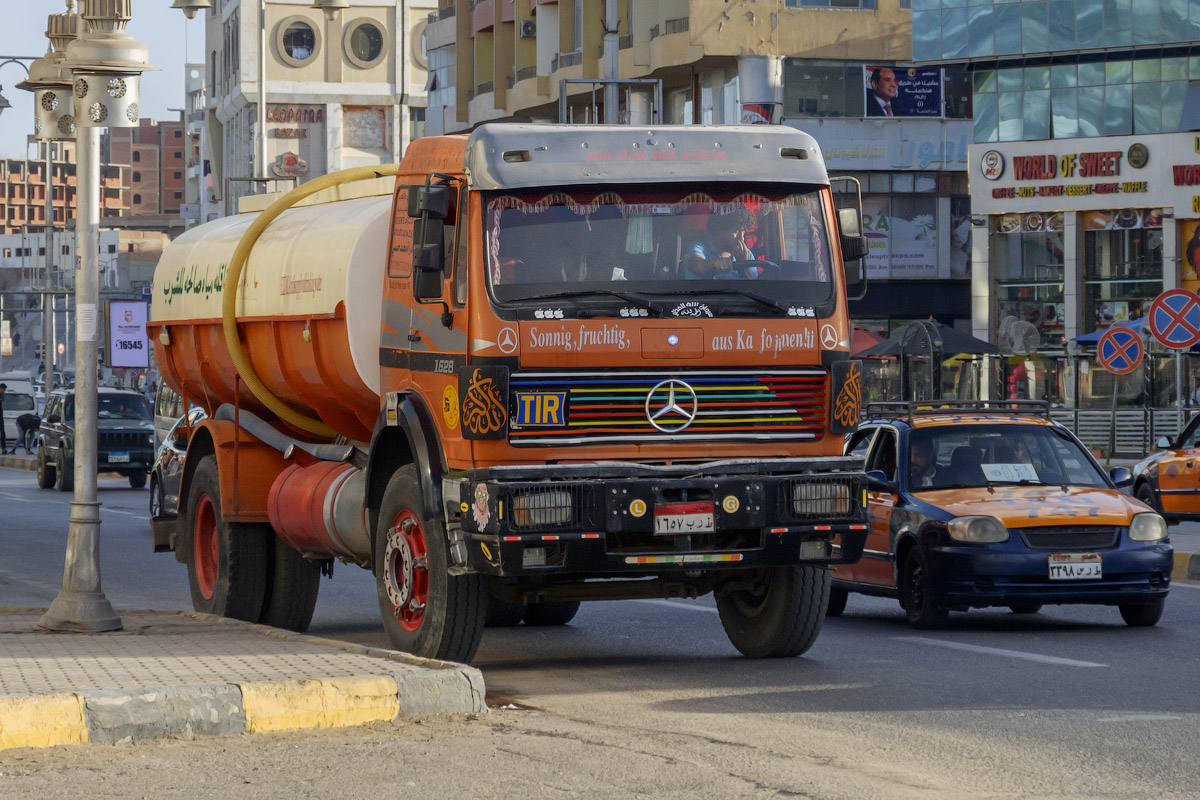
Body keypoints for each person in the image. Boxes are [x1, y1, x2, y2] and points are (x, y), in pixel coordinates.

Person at [682, 208, 757, 279]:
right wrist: (714, 263)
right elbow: (696, 265)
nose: (741, 238)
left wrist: (745, 265)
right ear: (719, 229)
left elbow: (756, 288)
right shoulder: (698, 248)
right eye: (736, 231)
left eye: (743, 232)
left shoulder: (746, 254)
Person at [0, 383, 8, 454]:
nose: (4, 391)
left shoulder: (2, 396)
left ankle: (3, 448)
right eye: (3, 390)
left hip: (0, 416)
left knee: (2, 433)